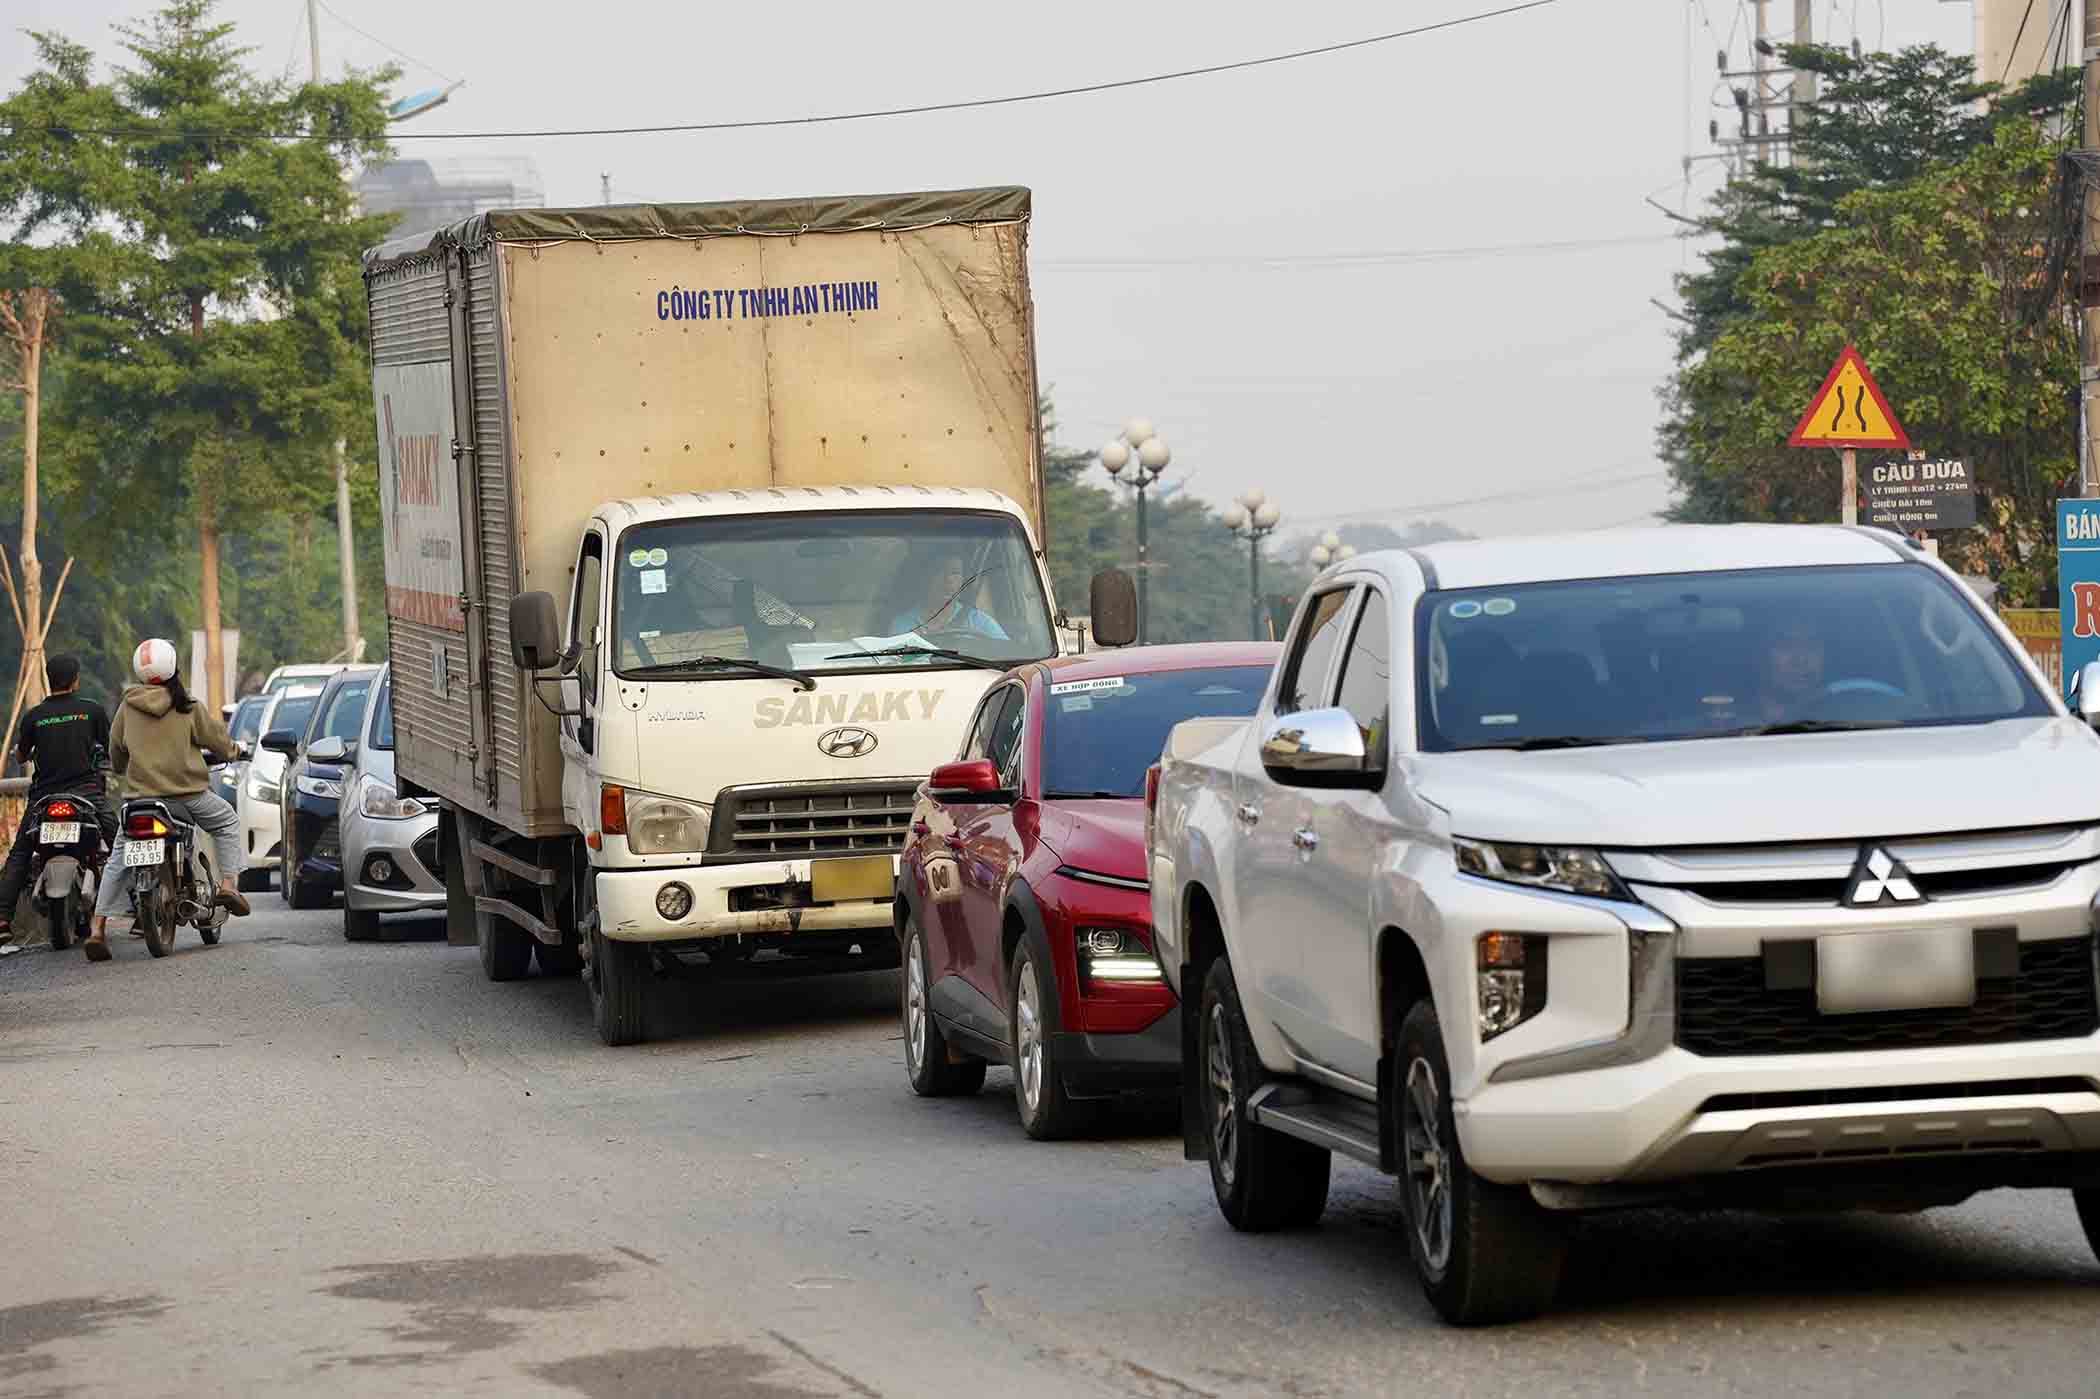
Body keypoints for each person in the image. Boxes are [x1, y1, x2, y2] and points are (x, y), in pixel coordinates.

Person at [83, 639, 250, 962]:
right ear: (173, 666)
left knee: (118, 858)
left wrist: (122, 767)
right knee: (227, 820)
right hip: (187, 797)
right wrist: (235, 751)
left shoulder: (127, 706)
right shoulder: (186, 704)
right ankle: (229, 885)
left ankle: (97, 928)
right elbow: (217, 741)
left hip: (140, 801)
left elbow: (116, 752)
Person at [0, 654, 114, 947]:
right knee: (120, 841)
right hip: (87, 793)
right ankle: (140, 907)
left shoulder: (34, 716)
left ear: (49, 680)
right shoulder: (92, 711)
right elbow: (111, 748)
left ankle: (2, 918)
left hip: (44, 797)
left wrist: (27, 751)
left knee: (20, 854)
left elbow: (22, 754)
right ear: (76, 680)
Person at [887, 552, 1008, 641]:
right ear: (926, 578)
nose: (948, 580)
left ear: (963, 580)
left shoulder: (980, 622)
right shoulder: (904, 625)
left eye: (955, 573)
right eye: (940, 571)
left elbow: (1007, 654)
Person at [1752, 615, 1827, 722]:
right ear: (1764, 656)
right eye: (1786, 646)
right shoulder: (1730, 724)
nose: (1800, 659)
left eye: (1811, 647)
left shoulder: (1848, 714)